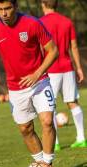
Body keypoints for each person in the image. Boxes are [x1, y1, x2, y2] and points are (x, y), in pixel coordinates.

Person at [0, 0, 58, 167]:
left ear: (16, 7)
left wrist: (37, 73)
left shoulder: (32, 23)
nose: (4, 13)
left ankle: (47, 164)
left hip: (40, 82)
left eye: (7, 8)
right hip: (15, 88)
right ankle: (40, 162)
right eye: (0, 9)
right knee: (25, 129)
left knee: (48, 121)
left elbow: (53, 51)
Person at [40, 0, 87, 151]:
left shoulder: (40, 22)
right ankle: (81, 138)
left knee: (49, 106)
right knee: (72, 102)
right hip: (67, 67)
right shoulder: (67, 21)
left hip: (50, 70)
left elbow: (41, 48)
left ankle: (56, 143)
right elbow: (73, 46)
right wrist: (79, 68)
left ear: (43, 4)